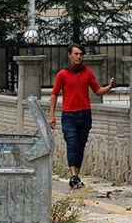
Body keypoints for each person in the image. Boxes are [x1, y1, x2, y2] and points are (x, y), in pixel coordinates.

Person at [48, 44, 117, 189]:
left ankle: (75, 177)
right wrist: (52, 116)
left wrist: (110, 86)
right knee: (72, 143)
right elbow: (54, 94)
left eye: (81, 54)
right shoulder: (63, 74)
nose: (79, 57)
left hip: (85, 115)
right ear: (69, 55)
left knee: (80, 145)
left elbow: (97, 91)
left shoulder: (88, 73)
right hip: (69, 116)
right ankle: (74, 175)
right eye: (76, 54)